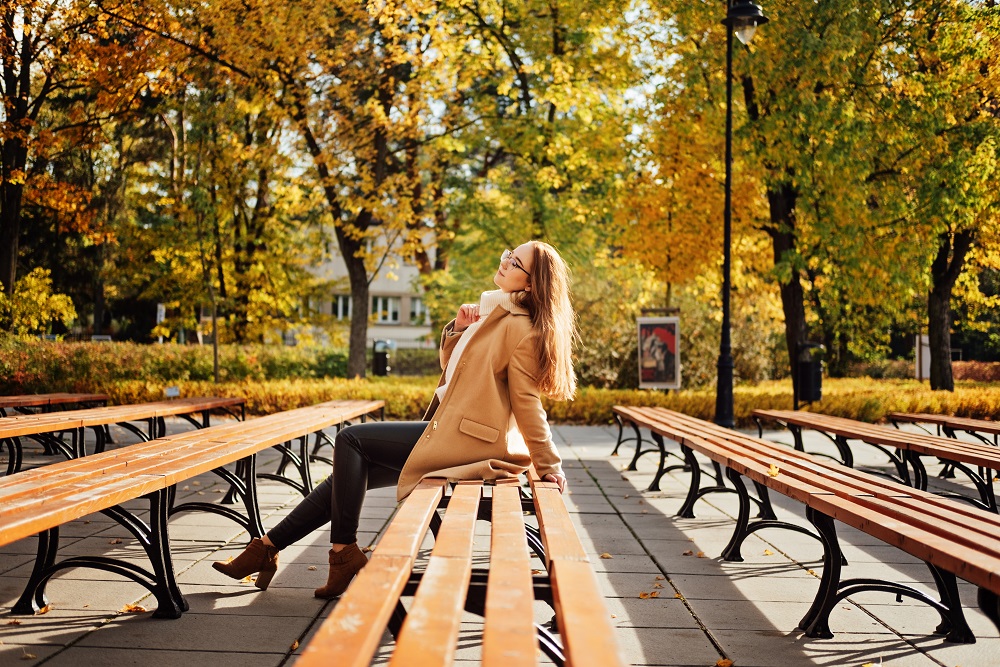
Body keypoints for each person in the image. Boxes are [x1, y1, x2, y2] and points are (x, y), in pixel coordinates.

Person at [213, 241, 576, 597]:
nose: (505, 262)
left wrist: (549, 464)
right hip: (453, 432)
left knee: (351, 440)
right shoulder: (494, 312)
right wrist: (460, 331)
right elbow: (456, 373)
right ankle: (266, 549)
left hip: (470, 442)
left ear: (530, 283)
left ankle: (342, 552)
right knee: (350, 475)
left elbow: (527, 402)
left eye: (515, 263)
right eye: (507, 255)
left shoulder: (522, 328)